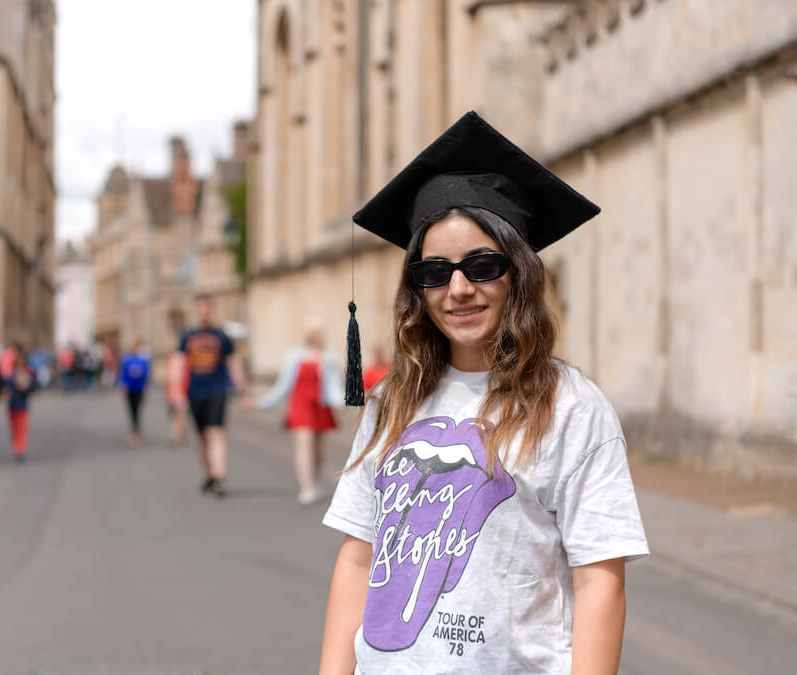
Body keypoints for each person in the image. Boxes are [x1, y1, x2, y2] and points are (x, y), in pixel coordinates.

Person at [319, 112, 649, 674]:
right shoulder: (391, 401)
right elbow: (358, 557)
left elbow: (600, 581)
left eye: (482, 265)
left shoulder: (570, 406)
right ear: (415, 288)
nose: (459, 289)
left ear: (517, 273)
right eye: (435, 272)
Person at [170, 295, 251, 498]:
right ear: (196, 310)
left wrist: (243, 392)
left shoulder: (222, 337)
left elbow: (234, 363)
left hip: (217, 390)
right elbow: (179, 364)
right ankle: (209, 474)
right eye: (200, 308)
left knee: (217, 432)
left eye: (206, 307)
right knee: (202, 436)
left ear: (211, 309)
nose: (203, 311)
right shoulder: (187, 336)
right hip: (195, 392)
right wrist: (177, 392)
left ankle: (219, 476)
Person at [257, 319, 344, 505]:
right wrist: (261, 403)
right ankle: (306, 487)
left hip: (321, 406)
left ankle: (315, 478)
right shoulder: (295, 355)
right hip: (301, 406)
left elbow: (334, 385)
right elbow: (283, 386)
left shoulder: (328, 356)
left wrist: (341, 402)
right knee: (303, 445)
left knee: (319, 449)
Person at [3, 347, 37, 462]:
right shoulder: (11, 375)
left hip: (22, 405)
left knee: (22, 428)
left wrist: (25, 387)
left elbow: (32, 389)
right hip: (12, 405)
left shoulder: (27, 374)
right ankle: (16, 447)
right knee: (14, 429)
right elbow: (6, 388)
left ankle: (20, 449)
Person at [117, 339, 152, 447]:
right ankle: (134, 431)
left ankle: (136, 431)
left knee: (137, 409)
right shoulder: (127, 360)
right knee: (132, 410)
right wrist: (121, 384)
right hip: (129, 389)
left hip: (139, 389)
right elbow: (122, 374)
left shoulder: (143, 360)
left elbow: (146, 375)